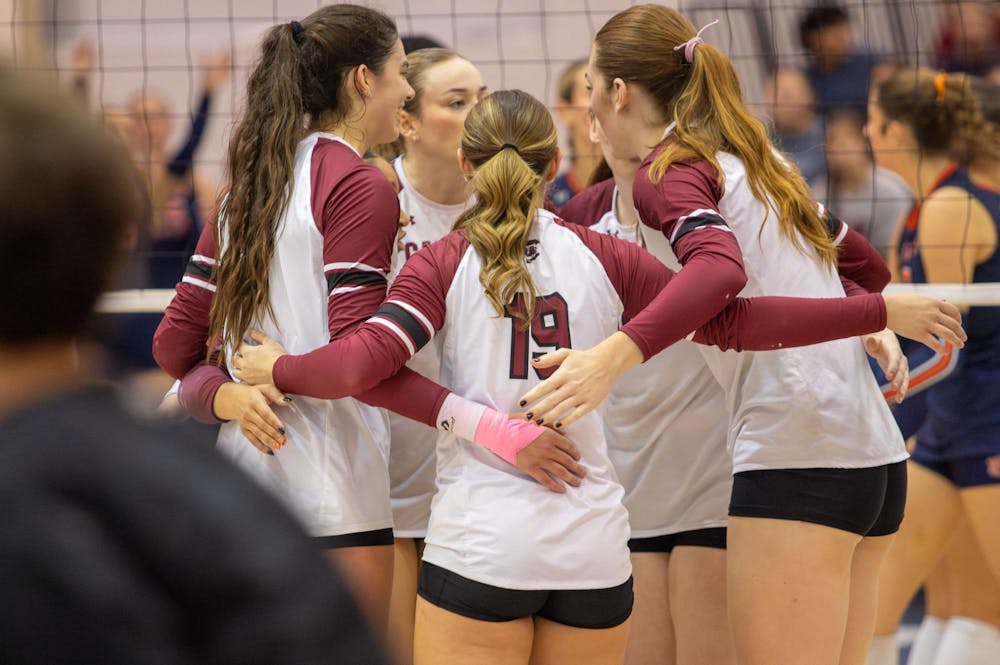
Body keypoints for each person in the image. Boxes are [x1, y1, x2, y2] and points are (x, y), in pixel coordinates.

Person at [227, 88, 963, 665]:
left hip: (484, 541)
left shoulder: (440, 262)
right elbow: (736, 319)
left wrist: (274, 366)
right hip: (592, 548)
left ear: (467, 166)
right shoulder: (604, 253)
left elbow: (359, 365)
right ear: (554, 165)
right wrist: (870, 311)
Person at [516, 7, 964, 664]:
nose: (586, 106)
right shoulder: (757, 161)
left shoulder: (669, 172)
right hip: (871, 460)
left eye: (590, 85)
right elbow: (864, 264)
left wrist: (611, 357)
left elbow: (723, 280)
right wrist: (863, 312)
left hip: (797, 458)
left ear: (617, 93)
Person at [151, 6, 578, 642]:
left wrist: (228, 393)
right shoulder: (358, 183)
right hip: (334, 494)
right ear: (362, 81)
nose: (407, 88)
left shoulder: (252, 183)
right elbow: (362, 360)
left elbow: (173, 346)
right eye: (401, 72)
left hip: (240, 493)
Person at [0, 69, 389, 665]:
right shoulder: (225, 512)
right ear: (115, 257)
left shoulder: (251, 198)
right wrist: (225, 389)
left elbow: (176, 353)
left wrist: (222, 386)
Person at [561, 115, 736, 665]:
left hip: (713, 472)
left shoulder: (701, 208)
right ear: (594, 126)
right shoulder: (578, 218)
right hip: (625, 482)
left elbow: (791, 271)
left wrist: (867, 316)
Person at [865, 70, 1000, 665]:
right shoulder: (914, 217)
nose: (865, 130)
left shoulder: (952, 207)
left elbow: (947, 345)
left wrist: (870, 403)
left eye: (873, 120)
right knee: (886, 602)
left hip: (990, 420)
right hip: (949, 424)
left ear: (895, 131)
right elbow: (904, 337)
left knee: (978, 605)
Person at [376, 47, 487, 665]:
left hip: (474, 485)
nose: (479, 112)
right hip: (386, 482)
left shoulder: (505, 211)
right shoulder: (369, 204)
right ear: (407, 122)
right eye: (457, 101)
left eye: (482, 96)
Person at [812, 110, 912, 261]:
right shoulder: (820, 191)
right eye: (831, 142)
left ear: (863, 143)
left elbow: (895, 253)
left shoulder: (890, 190)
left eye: (844, 143)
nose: (836, 150)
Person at [799, 2, 887, 117]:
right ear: (812, 39)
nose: (844, 38)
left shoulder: (873, 62)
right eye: (833, 34)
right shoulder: (806, 80)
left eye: (845, 29)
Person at [547, 59, 602, 207]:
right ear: (564, 110)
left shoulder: (633, 191)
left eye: (607, 91)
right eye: (589, 90)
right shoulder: (548, 200)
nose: (600, 101)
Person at [764, 68, 827, 184]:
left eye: (786, 95)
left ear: (808, 95)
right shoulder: (762, 140)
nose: (778, 103)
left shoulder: (831, 135)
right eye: (773, 96)